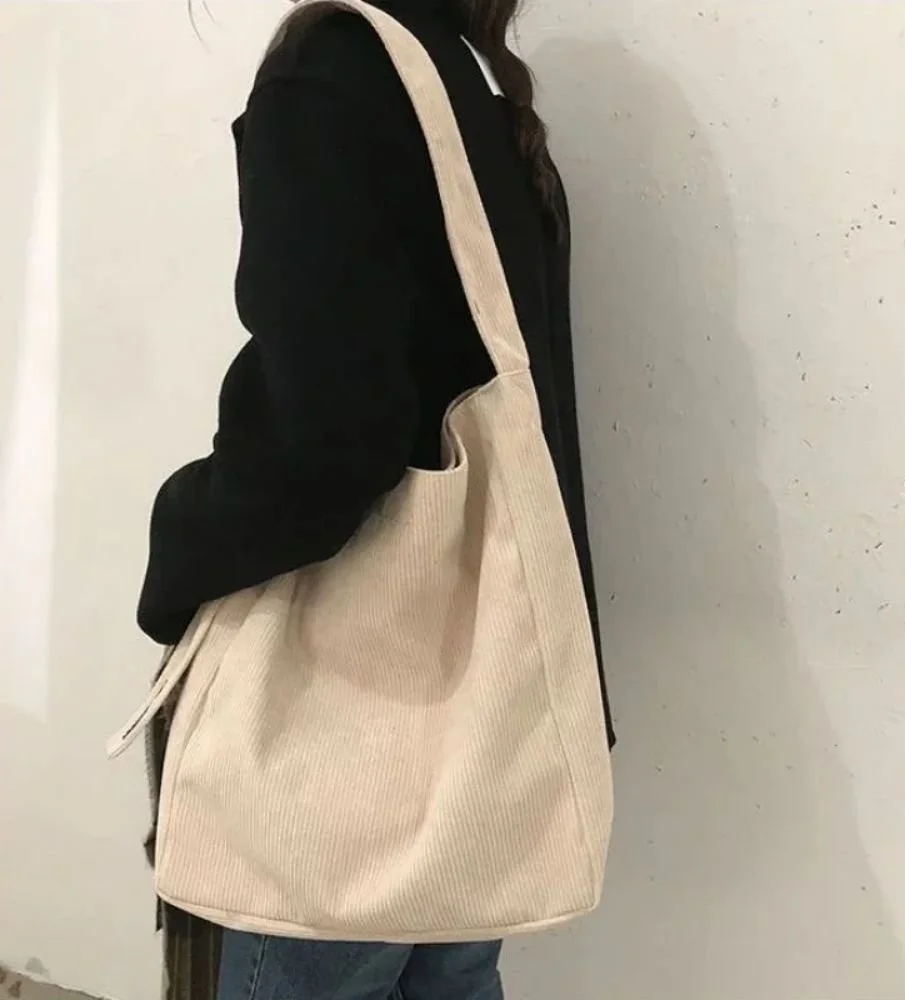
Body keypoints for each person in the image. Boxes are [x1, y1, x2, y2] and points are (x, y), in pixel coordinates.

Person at [137, 1, 613, 998]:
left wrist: (179, 537)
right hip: (479, 722)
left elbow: (327, 451)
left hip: (351, 744)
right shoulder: (468, 76)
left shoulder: (331, 73)